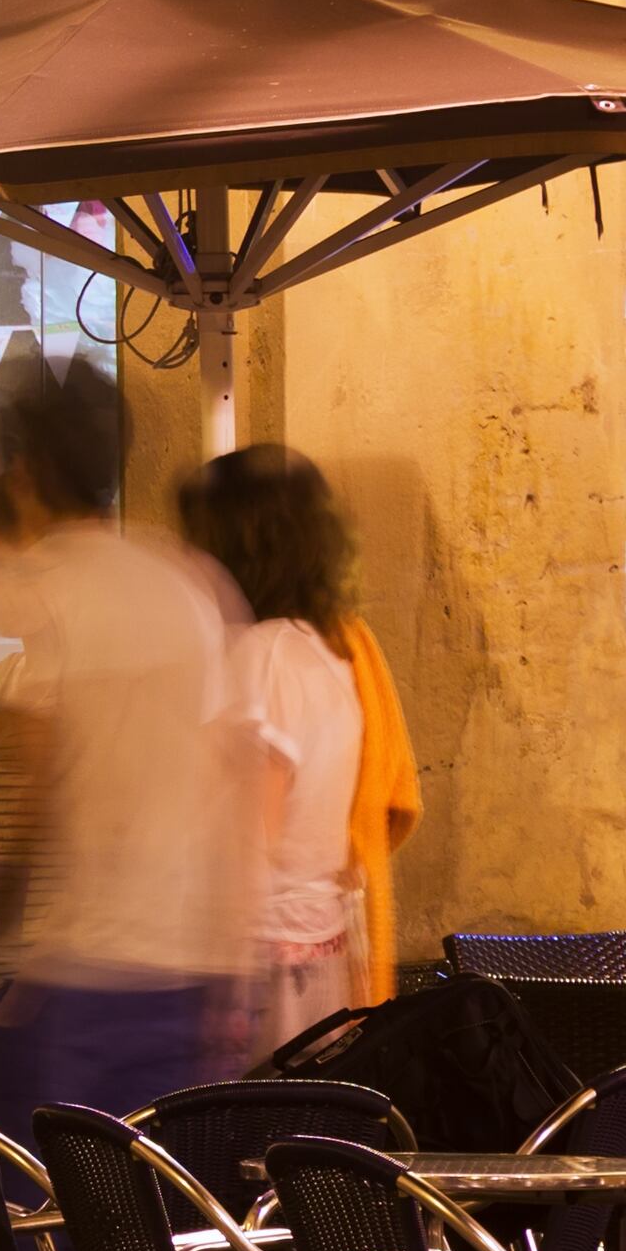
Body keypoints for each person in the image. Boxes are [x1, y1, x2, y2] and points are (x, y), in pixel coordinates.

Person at [0, 351, 247, 1127]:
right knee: (145, 1223)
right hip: (184, 970)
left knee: (41, 1221)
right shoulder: (184, 582)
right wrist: (229, 974)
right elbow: (229, 783)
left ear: (25, 466)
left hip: (75, 974)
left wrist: (10, 948)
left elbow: (33, 782)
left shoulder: (42, 584)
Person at [182, 444, 390, 1060]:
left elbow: (250, 837)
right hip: (325, 957)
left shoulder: (262, 655)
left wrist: (223, 987)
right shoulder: (331, 652)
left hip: (264, 971)